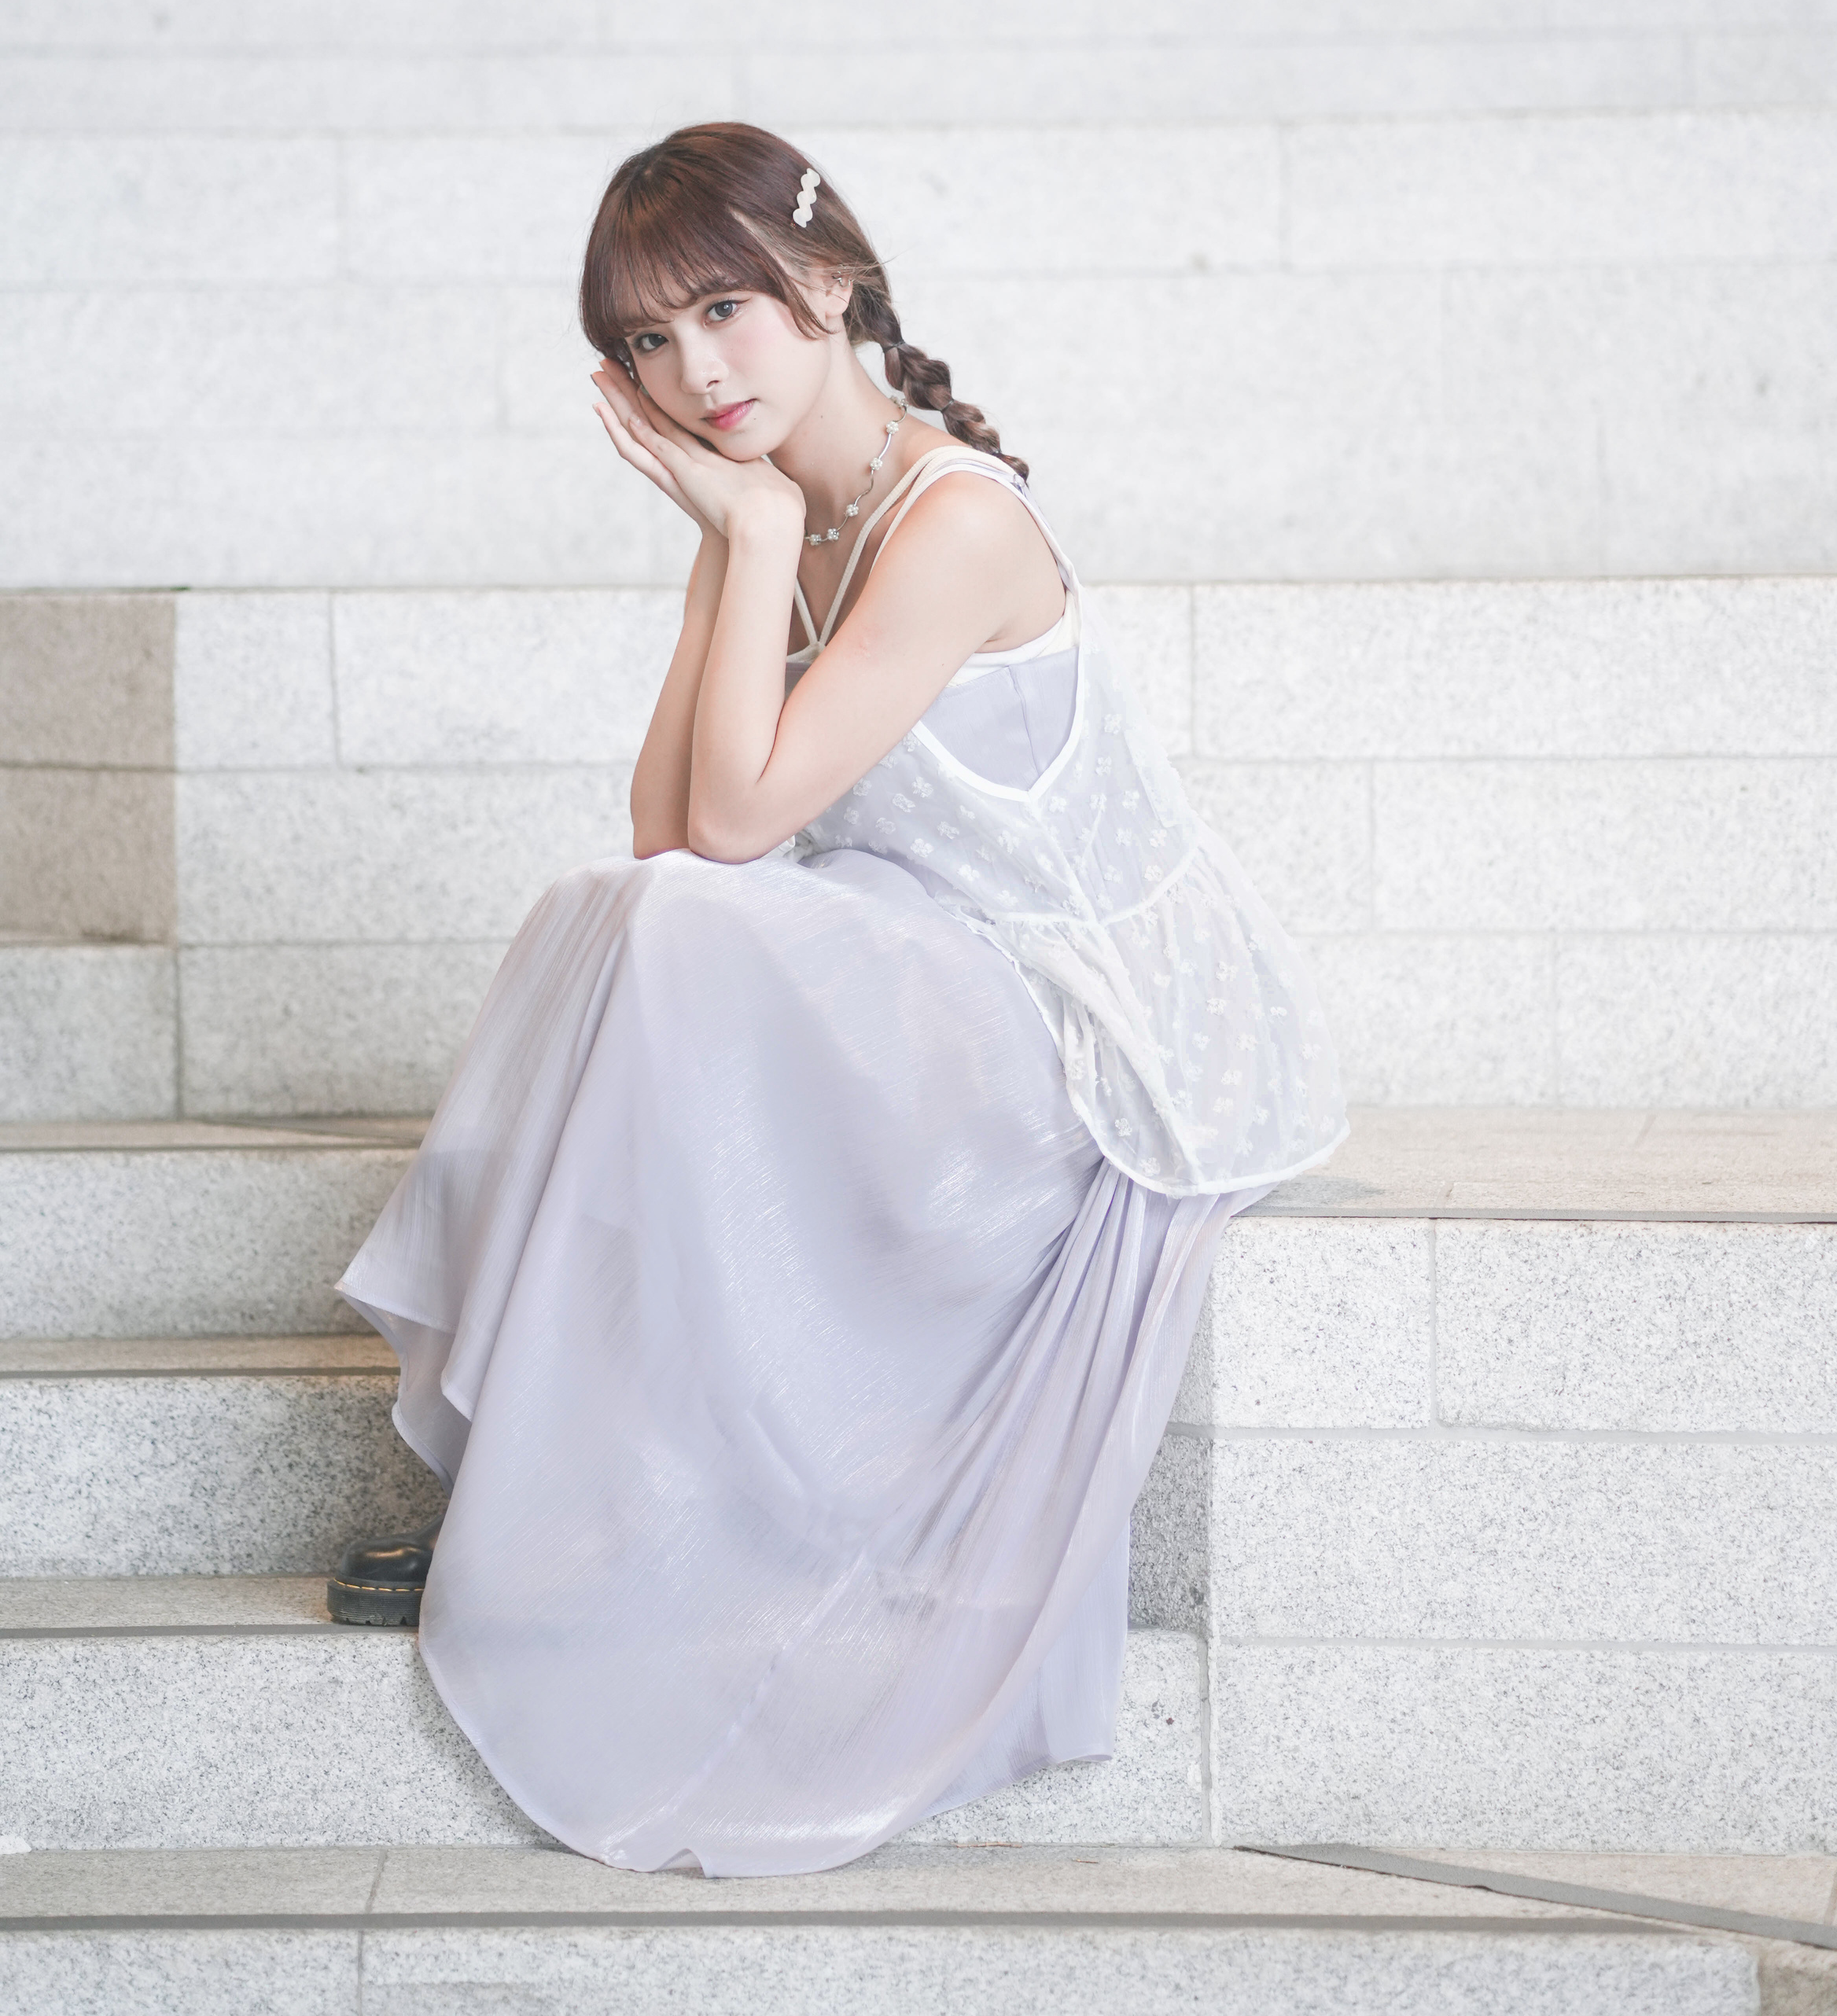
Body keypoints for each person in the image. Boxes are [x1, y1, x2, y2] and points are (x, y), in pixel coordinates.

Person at [333, 120, 1344, 1874]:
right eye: (648, 340)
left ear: (833, 282)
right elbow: (665, 836)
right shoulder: (775, 512)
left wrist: (748, 525)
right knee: (616, 918)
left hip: (1080, 1027)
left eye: (723, 309)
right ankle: (565, 1488)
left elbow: (729, 829)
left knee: (674, 938)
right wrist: (747, 537)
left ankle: (574, 1498)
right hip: (929, 975)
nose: (692, 371)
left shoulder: (954, 524)